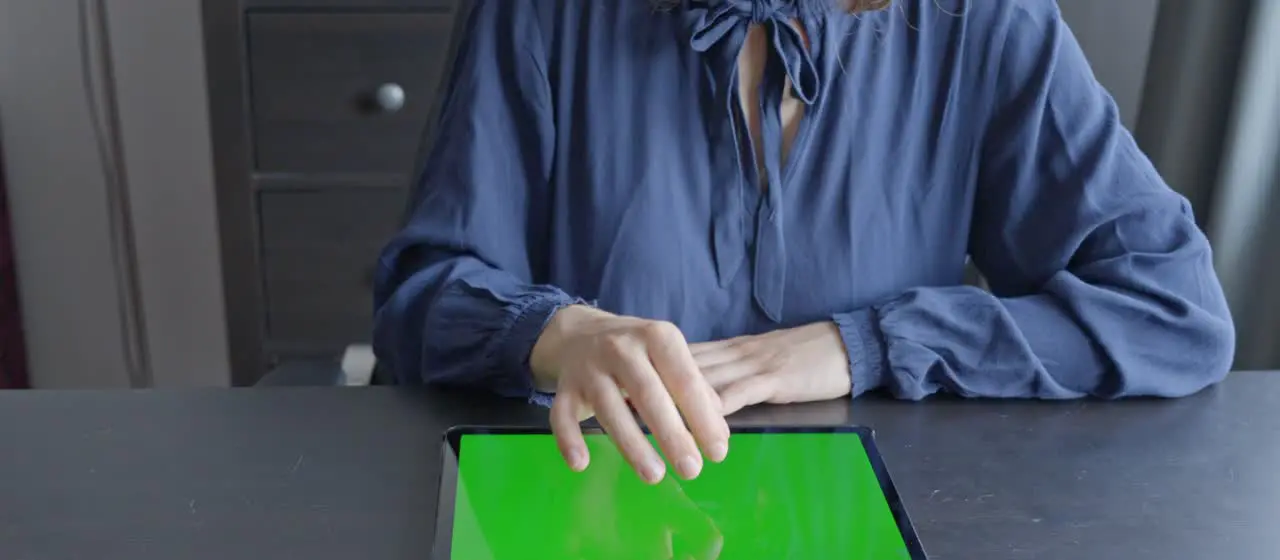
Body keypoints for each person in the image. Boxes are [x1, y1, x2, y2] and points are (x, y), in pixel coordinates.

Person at [373, 0, 1235, 483]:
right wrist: (553, 335)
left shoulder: (986, 23)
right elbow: (421, 296)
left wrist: (867, 344)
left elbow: (1173, 307)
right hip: (588, 556)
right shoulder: (540, 15)